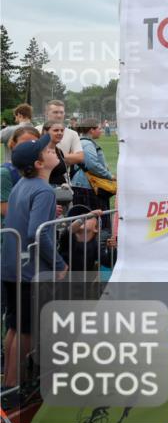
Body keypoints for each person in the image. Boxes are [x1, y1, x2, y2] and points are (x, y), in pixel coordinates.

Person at [1, 133, 67, 399]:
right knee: (26, 329)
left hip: (12, 266)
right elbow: (38, 233)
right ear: (39, 164)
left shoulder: (22, 185)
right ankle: (14, 387)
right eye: (48, 151)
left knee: (14, 326)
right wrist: (59, 264)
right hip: (29, 270)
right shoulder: (43, 190)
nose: (52, 151)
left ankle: (9, 382)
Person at [70, 119, 114, 214]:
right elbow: (92, 165)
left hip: (83, 185)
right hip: (87, 186)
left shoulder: (81, 142)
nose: (101, 131)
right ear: (91, 130)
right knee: (93, 218)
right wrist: (110, 176)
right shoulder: (87, 144)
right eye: (99, 128)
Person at [1, 127, 42, 218]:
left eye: (34, 144)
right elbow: (5, 209)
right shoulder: (5, 172)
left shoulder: (38, 169)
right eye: (24, 144)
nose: (30, 147)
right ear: (13, 145)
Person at [37, 100, 84, 168]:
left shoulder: (72, 134)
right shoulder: (37, 130)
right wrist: (68, 156)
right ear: (46, 113)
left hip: (62, 174)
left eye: (61, 112)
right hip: (40, 173)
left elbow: (80, 157)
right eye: (55, 112)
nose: (59, 115)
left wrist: (51, 156)